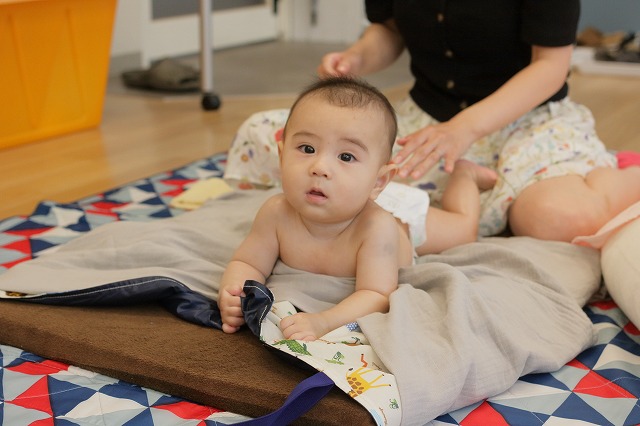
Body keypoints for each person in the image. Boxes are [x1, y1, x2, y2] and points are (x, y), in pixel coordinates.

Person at [224, 1, 640, 242]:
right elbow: (389, 30)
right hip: (428, 118)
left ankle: (620, 171)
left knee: (553, 217)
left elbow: (550, 67)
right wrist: (355, 59)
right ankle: (476, 189)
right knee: (266, 136)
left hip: (526, 119)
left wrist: (463, 129)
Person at [218, 77, 496, 340]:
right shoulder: (276, 213)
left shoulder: (377, 228)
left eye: (346, 156)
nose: (320, 167)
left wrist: (324, 321)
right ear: (281, 157)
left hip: (402, 218)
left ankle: (465, 176)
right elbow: (247, 263)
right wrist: (234, 293)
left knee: (464, 229)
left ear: (379, 181)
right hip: (354, 194)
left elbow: (376, 294)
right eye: (307, 148)